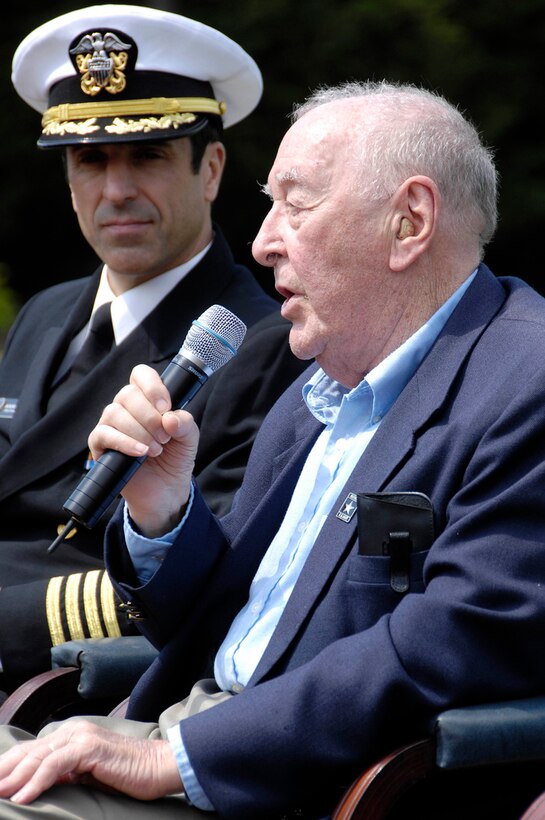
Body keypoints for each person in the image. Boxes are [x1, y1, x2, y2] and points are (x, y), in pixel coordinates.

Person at [1, 78, 545, 819]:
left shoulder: (525, 378)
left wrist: (174, 757)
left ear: (409, 221)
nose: (261, 241)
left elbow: (453, 643)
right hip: (174, 732)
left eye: (294, 202)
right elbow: (235, 620)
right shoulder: (316, 393)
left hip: (292, 783)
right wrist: (164, 518)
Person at [0, 5, 306, 692]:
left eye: (147, 156)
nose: (117, 190)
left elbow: (210, 579)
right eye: (90, 159)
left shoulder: (260, 345)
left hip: (72, 692)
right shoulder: (46, 315)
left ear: (211, 169)